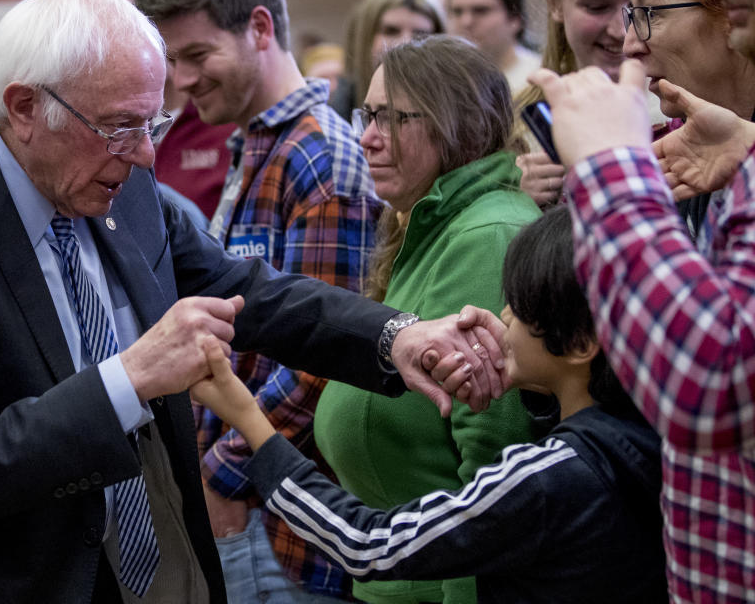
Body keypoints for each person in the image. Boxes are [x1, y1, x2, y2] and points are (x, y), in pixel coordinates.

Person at [0, 0, 505, 604]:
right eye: (122, 126)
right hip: (9, 577)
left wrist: (396, 336)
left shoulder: (108, 173)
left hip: (152, 555)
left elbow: (244, 291)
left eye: (152, 125)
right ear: (24, 107)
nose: (147, 155)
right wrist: (131, 378)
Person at [191, 206, 668, 604]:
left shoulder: (548, 479)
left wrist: (250, 422)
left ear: (581, 342)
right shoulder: (650, 434)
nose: (502, 315)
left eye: (519, 307)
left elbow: (368, 544)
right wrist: (532, 372)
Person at [134, 0, 382, 600]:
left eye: (196, 54)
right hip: (260, 509)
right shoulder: (259, 145)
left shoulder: (318, 158)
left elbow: (323, 354)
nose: (182, 82)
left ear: (260, 28)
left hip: (291, 531)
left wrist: (222, 472)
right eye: (173, 61)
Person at [522, 0, 755, 596]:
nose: (628, 41)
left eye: (646, 12)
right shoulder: (710, 149)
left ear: (722, 11)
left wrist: (609, 169)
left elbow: (706, 386)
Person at [313, 35, 540, 604]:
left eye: (391, 118)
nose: (365, 137)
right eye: (367, 115)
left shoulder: (488, 235)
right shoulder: (437, 219)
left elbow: (494, 470)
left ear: (455, 123)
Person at [73, 0, 228, 223]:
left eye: (144, 14)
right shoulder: (81, 136)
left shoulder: (225, 121)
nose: (142, 33)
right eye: (120, 23)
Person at [621, 0, 755, 237]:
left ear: (729, 11)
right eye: (632, 15)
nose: (629, 45)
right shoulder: (691, 150)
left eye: (651, 13)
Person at [513, 0, 629, 208]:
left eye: (638, 6)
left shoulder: (681, 109)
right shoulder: (520, 123)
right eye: (597, 8)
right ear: (554, 3)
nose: (621, 31)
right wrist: (514, 197)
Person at [328, 0, 446, 120]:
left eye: (421, 35)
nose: (405, 43)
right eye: (391, 31)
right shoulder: (337, 118)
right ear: (366, 37)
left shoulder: (455, 115)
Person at [447, 0, 541, 93]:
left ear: (514, 19)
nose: (466, 21)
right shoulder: (444, 79)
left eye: (481, 10)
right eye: (457, 11)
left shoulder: (540, 76)